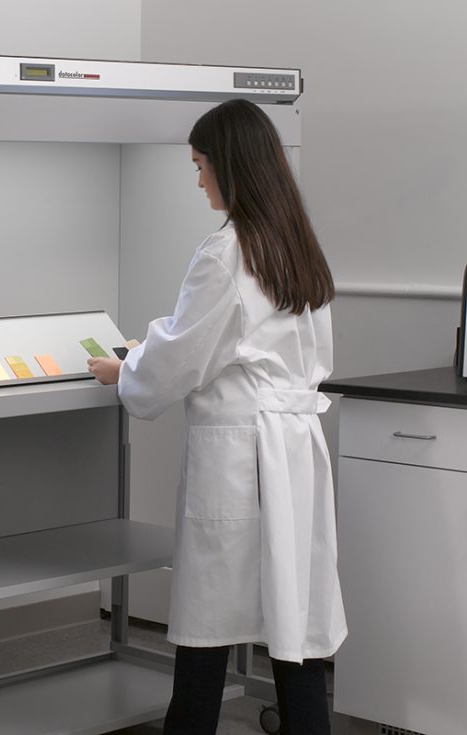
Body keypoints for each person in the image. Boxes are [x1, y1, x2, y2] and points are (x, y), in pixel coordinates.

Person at [88, 98, 347, 735]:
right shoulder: (296, 246)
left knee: (206, 626)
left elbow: (181, 357)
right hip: (292, 452)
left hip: (243, 455)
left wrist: (128, 370)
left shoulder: (225, 254)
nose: (197, 176)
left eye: (200, 163)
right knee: (294, 625)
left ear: (229, 167)